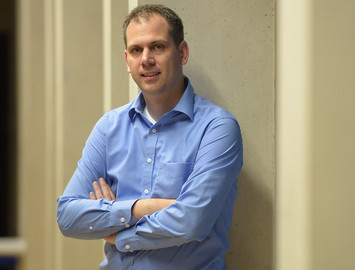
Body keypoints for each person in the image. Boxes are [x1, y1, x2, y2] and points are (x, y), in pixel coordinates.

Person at [56, 4, 243, 270]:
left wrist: (116, 230)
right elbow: (67, 216)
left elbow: (191, 221)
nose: (146, 59)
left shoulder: (217, 129)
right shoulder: (109, 128)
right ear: (127, 61)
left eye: (157, 47)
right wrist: (142, 208)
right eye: (136, 50)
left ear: (182, 52)